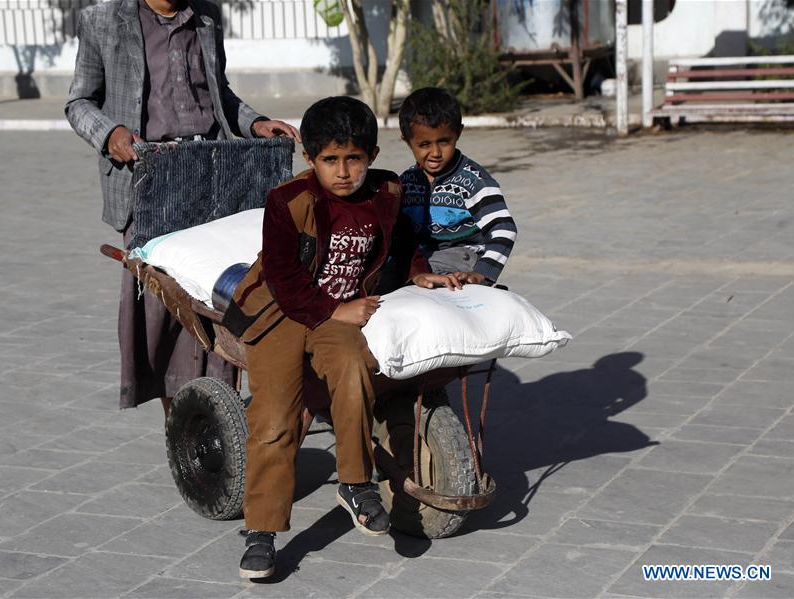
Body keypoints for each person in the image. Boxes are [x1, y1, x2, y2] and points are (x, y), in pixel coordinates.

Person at [222, 97, 469, 579]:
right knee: (276, 417)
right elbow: (283, 276)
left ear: (372, 155)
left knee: (356, 370)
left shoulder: (386, 193)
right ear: (310, 159)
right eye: (330, 160)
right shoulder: (287, 201)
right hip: (281, 313)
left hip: (337, 319)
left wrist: (418, 272)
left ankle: (356, 483)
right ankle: (262, 532)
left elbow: (402, 241)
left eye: (353, 158)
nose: (342, 171)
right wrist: (335, 308)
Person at [65, 0, 300, 413]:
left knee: (216, 299)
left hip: (213, 174)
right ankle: (181, 420)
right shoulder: (101, 19)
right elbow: (79, 103)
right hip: (149, 177)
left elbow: (218, 94)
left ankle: (219, 412)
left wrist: (255, 123)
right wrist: (111, 133)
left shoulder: (206, 17)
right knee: (162, 308)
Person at [398, 87, 517, 286]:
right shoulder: (407, 181)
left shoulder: (475, 181)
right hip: (421, 258)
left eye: (444, 141)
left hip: (462, 257)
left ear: (458, 133)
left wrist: (483, 272)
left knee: (433, 270)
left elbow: (503, 228)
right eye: (424, 144)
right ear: (408, 141)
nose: (435, 152)